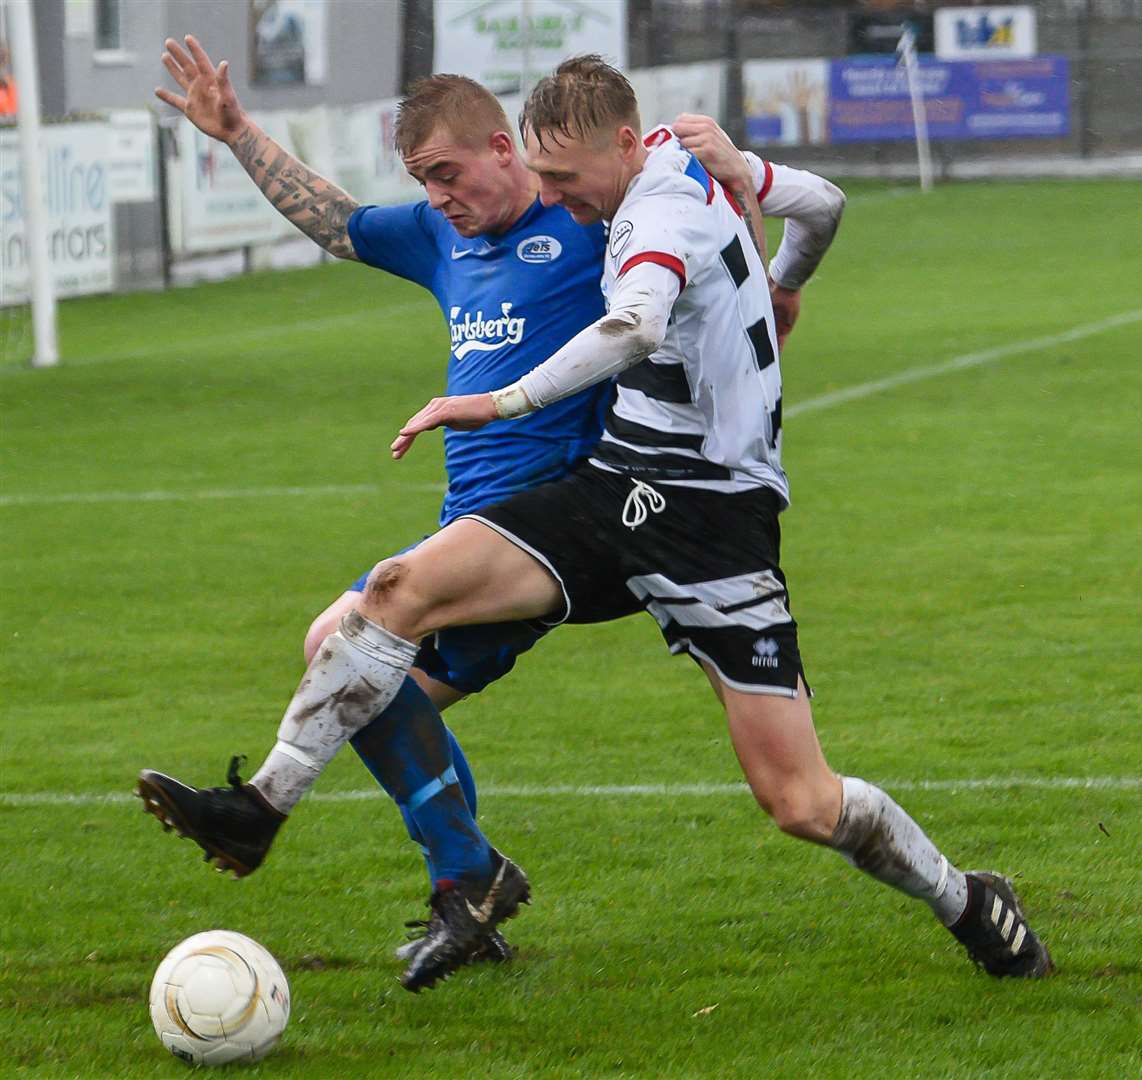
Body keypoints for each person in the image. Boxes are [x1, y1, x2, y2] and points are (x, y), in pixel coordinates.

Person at [140, 54, 1052, 992]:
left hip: (712, 523)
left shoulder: (650, 212)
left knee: (801, 802)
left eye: (562, 179)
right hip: (610, 484)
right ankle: (273, 815)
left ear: (613, 146)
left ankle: (967, 898)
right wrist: (783, 279)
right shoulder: (662, 166)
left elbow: (636, 325)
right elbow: (820, 201)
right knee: (381, 606)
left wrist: (496, 403)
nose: (554, 197)